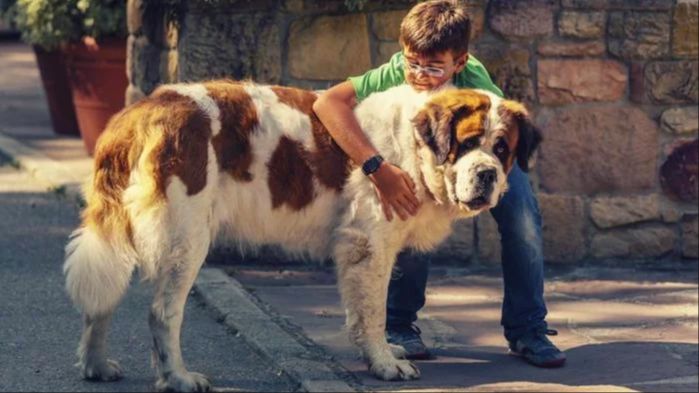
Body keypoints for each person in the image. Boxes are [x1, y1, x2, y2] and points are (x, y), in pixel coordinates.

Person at [313, 0, 566, 368]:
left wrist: (503, 168)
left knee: (522, 219)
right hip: (430, 164)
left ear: (459, 63)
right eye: (412, 63)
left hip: (490, 158)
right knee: (408, 209)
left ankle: (528, 328)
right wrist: (376, 166)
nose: (419, 74)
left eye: (433, 67)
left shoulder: (474, 81)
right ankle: (399, 325)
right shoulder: (396, 70)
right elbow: (329, 102)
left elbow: (505, 131)